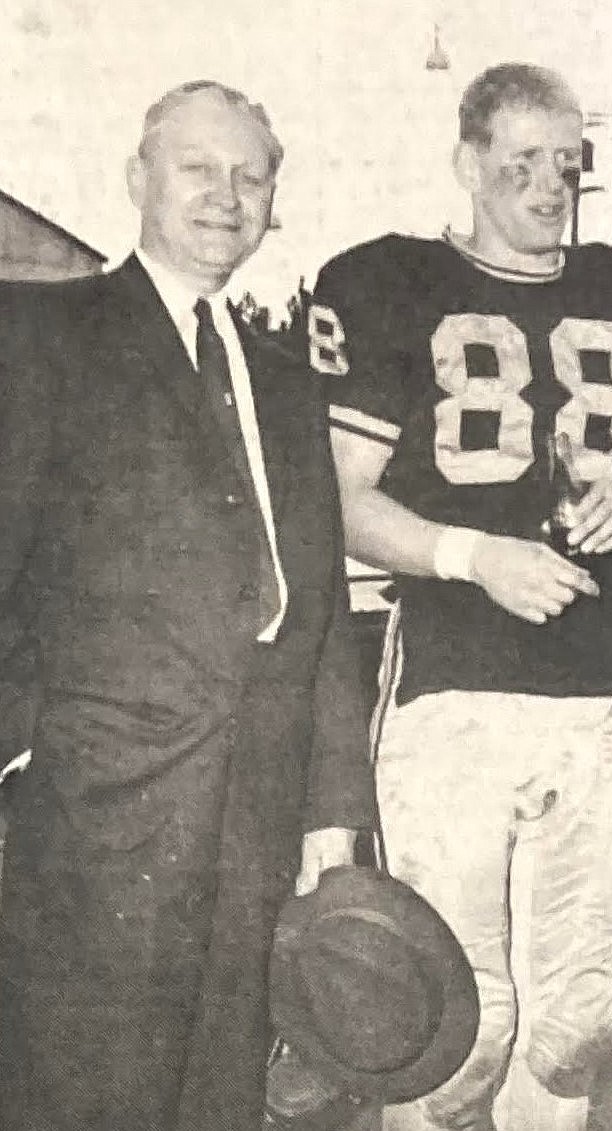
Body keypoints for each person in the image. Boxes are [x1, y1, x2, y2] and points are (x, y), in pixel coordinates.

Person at [309, 62, 612, 1131]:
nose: (547, 183)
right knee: (454, 1025)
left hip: (595, 699)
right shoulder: (388, 284)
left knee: (573, 1026)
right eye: (519, 160)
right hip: (451, 695)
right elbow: (341, 502)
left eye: (565, 161)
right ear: (466, 162)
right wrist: (476, 557)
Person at [0, 80, 374, 1131]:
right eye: (198, 169)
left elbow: (322, 619)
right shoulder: (39, 337)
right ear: (137, 181)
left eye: (249, 176)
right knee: (84, 1098)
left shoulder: (291, 383)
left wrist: (333, 810)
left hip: (256, 818)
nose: (226, 195)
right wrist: (25, 747)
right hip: (91, 815)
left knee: (220, 1098)